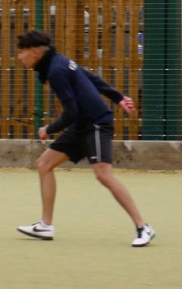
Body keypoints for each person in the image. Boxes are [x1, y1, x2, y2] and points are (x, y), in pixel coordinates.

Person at [15, 29, 154, 247]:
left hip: (96, 124)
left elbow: (71, 112)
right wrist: (118, 98)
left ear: (34, 52)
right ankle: (45, 225)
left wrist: (49, 129)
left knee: (104, 175)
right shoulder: (58, 61)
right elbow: (91, 78)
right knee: (44, 164)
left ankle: (143, 227)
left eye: (22, 52)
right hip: (82, 124)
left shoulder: (56, 71)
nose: (19, 57)